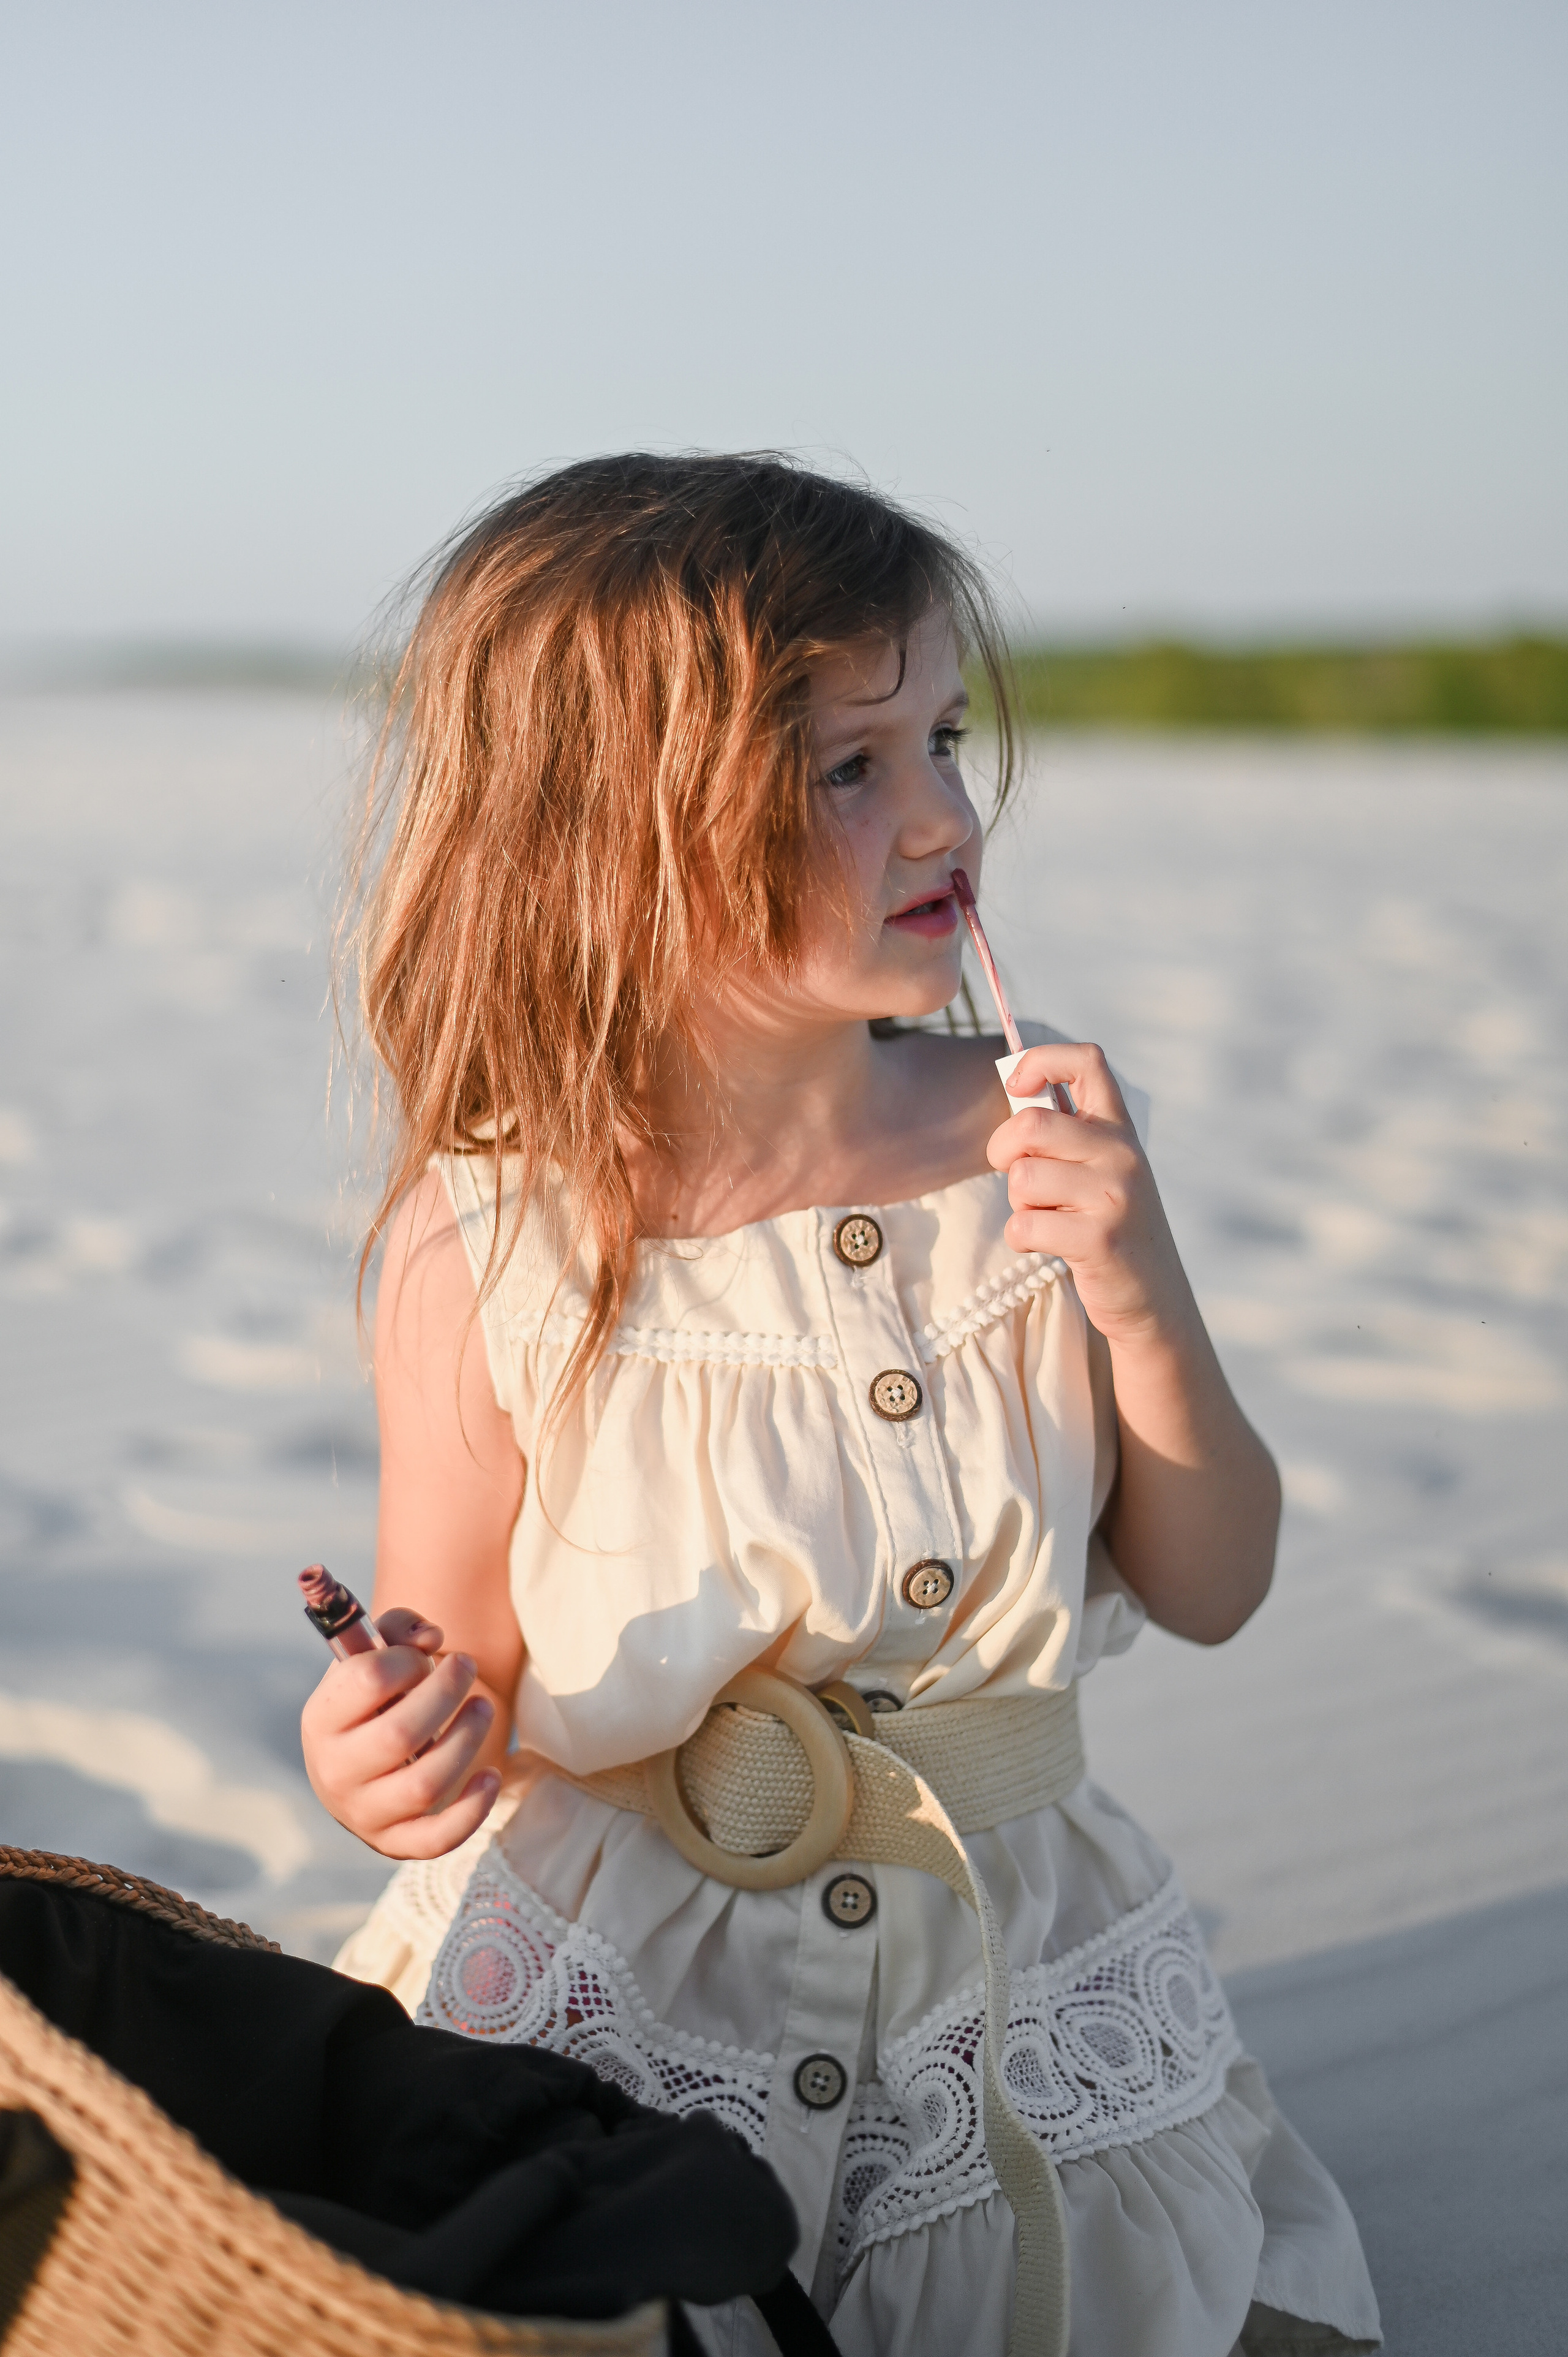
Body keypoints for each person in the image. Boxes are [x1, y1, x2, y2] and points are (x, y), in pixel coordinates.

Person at [301, 454, 1381, 2357]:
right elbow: (447, 1681)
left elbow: (1213, 1583)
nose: (949, 812)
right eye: (848, 766)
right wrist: (378, 1748)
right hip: (631, 2000)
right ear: (611, 832)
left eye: (946, 737)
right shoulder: (485, 1240)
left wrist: (1136, 1293)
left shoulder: (1035, 1137)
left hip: (1010, 1981)